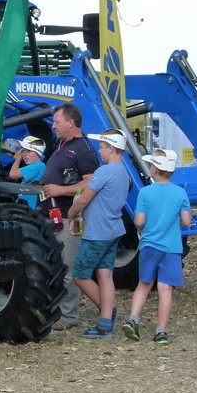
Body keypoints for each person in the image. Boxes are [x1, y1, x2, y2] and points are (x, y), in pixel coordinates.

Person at [40, 103, 100, 330]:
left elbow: (91, 183)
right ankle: (55, 310)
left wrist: (60, 190)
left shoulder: (83, 149)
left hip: (69, 217)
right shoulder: (62, 144)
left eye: (57, 121)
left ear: (71, 123)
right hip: (50, 214)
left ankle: (69, 316)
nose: (53, 125)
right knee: (53, 266)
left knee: (68, 267)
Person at [121, 149, 191, 345]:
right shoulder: (180, 193)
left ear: (155, 169)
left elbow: (138, 221)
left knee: (144, 284)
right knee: (165, 288)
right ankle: (161, 331)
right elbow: (186, 221)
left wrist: (144, 225)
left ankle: (133, 320)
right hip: (171, 247)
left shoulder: (145, 192)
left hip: (149, 245)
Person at [67, 129, 130, 338]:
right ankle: (104, 323)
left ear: (111, 148)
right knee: (105, 274)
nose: (100, 151)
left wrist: (71, 213)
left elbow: (84, 198)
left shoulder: (104, 172)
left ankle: (107, 313)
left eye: (102, 147)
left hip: (97, 232)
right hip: (114, 229)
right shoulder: (124, 172)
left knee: (80, 275)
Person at [7, 135, 46, 208]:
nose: (24, 154)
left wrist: (18, 158)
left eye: (28, 151)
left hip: (29, 208)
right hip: (25, 206)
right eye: (23, 150)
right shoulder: (36, 166)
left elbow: (12, 174)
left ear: (38, 152)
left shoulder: (37, 166)